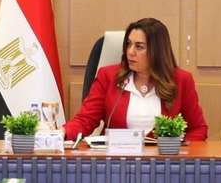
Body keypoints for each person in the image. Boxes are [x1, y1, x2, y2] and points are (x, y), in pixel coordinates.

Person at [62, 17, 209, 142]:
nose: (130, 52)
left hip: (163, 163)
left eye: (139, 47)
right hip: (116, 161)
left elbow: (198, 129)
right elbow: (85, 120)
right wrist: (62, 133)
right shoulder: (108, 76)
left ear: (157, 51)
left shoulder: (181, 80)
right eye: (128, 44)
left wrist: (178, 153)